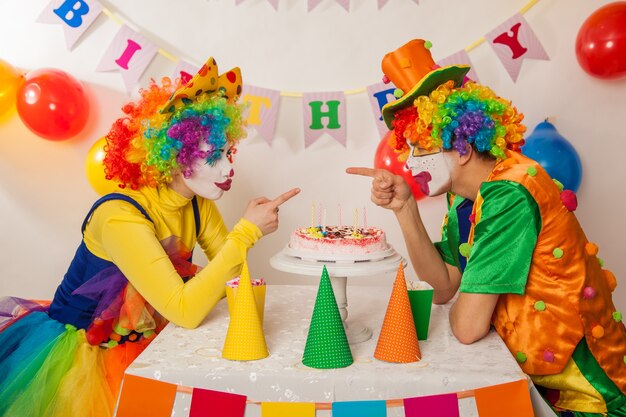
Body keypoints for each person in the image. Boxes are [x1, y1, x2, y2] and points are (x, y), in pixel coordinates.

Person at [0, 57, 300, 417]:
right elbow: (186, 311)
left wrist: (241, 238)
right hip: (84, 356)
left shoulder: (196, 203)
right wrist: (246, 232)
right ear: (174, 158)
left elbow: (231, 280)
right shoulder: (119, 217)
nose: (229, 167)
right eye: (215, 155)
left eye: (228, 152)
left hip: (152, 341)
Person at [348, 39, 626, 416]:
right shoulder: (465, 197)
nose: (409, 165)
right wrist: (404, 209)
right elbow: (444, 287)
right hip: (532, 383)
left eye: (420, 149)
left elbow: (467, 327)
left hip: (588, 400)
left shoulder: (508, 192)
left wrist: (472, 301)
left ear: (461, 149)